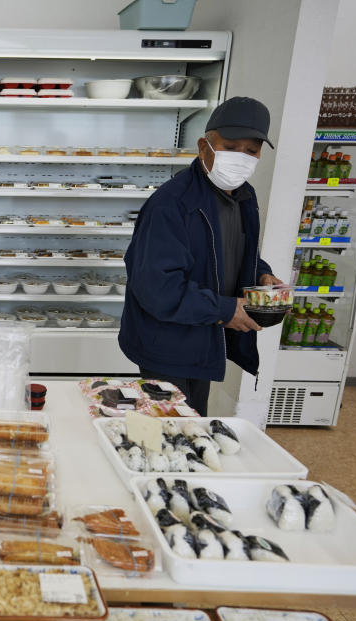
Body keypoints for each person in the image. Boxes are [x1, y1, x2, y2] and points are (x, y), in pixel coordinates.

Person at [118, 96, 284, 415]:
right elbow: (157, 288)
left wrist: (261, 274)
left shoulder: (242, 198)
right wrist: (226, 308)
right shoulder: (171, 205)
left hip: (204, 334)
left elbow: (235, 249)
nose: (241, 158)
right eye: (231, 147)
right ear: (204, 146)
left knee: (194, 423)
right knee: (171, 434)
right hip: (166, 342)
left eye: (251, 151)